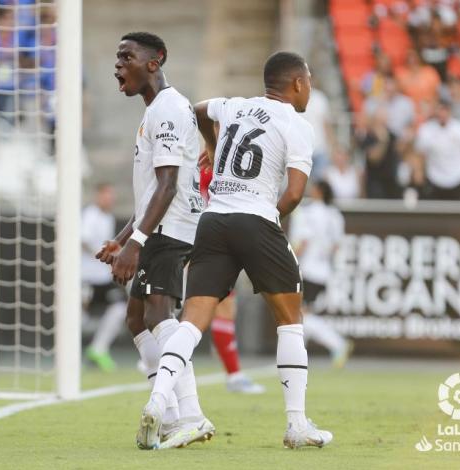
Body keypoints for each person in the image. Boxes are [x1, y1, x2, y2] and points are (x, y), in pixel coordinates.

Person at [138, 52, 333, 450]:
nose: (310, 88)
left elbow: (197, 110)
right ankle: (296, 424)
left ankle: (158, 401)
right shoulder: (297, 124)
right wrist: (270, 218)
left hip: (213, 220)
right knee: (290, 319)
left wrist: (210, 145)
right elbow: (294, 193)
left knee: (191, 322)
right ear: (297, 84)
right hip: (256, 218)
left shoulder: (235, 106)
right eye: (308, 81)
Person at [95, 32, 213, 449]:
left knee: (159, 316)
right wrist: (122, 238)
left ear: (154, 61)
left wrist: (136, 242)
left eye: (126, 56)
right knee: (136, 319)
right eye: (116, 57)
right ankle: (174, 416)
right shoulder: (155, 110)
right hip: (159, 226)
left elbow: (167, 186)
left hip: (172, 227)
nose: (117, 65)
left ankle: (189, 414)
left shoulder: (167, 109)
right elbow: (151, 191)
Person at [199, 166, 265, 394]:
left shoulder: (215, 164)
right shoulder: (208, 168)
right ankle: (158, 360)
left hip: (210, 242)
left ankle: (234, 375)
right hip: (201, 242)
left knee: (223, 308)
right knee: (193, 313)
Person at [289, 181, 352, 368]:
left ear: (318, 191)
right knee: (301, 314)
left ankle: (338, 344)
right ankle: (298, 353)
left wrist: (290, 261)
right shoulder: (335, 215)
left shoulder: (307, 212)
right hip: (323, 271)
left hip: (307, 269)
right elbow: (336, 245)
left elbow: (303, 242)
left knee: (300, 314)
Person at [81, 184, 127, 372]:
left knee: (120, 308)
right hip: (86, 278)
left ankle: (98, 350)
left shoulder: (108, 218)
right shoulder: (90, 214)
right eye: (106, 195)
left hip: (103, 279)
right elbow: (82, 240)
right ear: (98, 196)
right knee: (79, 319)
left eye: (112, 196)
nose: (110, 199)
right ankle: (68, 357)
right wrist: (103, 255)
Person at [414, 98, 460, 199]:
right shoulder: (426, 129)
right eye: (439, 110)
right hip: (434, 177)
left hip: (458, 177)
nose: (442, 114)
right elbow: (420, 154)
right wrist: (418, 171)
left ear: (450, 111)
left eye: (445, 110)